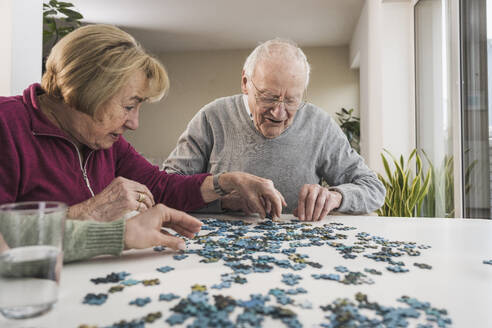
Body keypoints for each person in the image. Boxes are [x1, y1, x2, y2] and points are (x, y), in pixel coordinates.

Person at [0, 25, 285, 262]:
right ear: (87, 90)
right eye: (128, 106)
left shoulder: (105, 143)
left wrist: (228, 181)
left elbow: (162, 187)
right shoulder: (6, 124)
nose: (134, 123)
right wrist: (90, 212)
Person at [164, 38, 386, 221]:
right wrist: (221, 200)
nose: (279, 113)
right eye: (269, 97)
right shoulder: (211, 118)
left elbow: (373, 189)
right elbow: (165, 188)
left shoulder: (319, 124)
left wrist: (335, 196)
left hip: (298, 256)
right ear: (245, 83)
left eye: (291, 101)